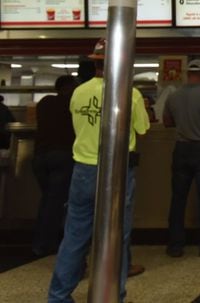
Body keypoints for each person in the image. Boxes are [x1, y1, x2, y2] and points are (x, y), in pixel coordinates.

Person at [48, 39, 151, 303]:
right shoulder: (131, 92)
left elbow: (77, 127)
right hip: (116, 173)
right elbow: (142, 129)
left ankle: (58, 296)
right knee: (117, 236)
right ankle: (112, 295)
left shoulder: (79, 92)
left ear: (95, 62)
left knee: (74, 235)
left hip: (82, 170)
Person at [163, 59, 200, 257]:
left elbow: (166, 121)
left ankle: (174, 246)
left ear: (188, 74)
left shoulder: (173, 96)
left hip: (180, 149)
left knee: (177, 199)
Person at [32, 75, 78, 256]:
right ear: (70, 87)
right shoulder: (73, 104)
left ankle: (42, 241)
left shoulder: (44, 103)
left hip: (40, 157)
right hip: (62, 156)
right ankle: (46, 244)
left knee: (48, 201)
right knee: (56, 202)